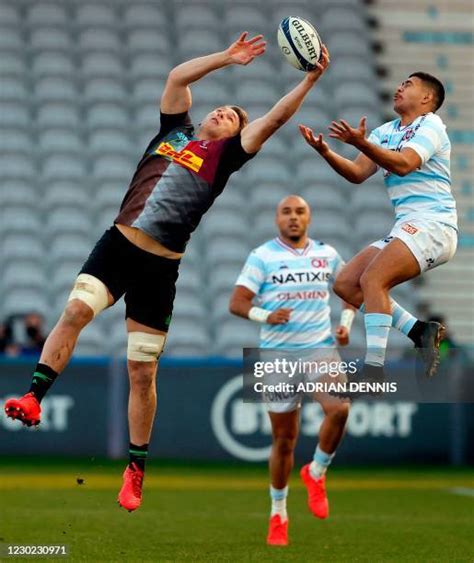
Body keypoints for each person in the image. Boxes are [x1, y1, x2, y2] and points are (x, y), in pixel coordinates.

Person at [4, 34, 330, 512]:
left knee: (142, 372)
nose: (222, 113)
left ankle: (135, 469)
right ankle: (34, 397)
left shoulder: (228, 157)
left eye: (232, 117)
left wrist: (310, 78)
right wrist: (226, 58)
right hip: (116, 245)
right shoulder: (173, 132)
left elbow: (276, 118)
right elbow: (177, 77)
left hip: (161, 267)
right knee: (75, 311)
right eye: (219, 109)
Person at [299, 72, 457, 389]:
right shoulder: (385, 132)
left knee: (373, 279)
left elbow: (404, 164)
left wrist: (360, 142)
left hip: (434, 224)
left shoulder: (431, 126)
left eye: (408, 84)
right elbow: (357, 173)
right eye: (400, 83)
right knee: (345, 283)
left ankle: (374, 370)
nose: (399, 87)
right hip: (408, 226)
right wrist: (327, 152)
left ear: (427, 98)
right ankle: (418, 331)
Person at [230, 195, 356, 546]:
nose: (293, 217)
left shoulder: (327, 255)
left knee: (340, 408)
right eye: (286, 212)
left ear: (309, 217)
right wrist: (265, 315)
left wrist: (345, 323)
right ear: (277, 219)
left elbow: (350, 291)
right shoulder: (262, 256)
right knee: (284, 440)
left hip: (319, 349)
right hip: (277, 356)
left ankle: (316, 471)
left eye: (299, 211)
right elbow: (237, 302)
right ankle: (278, 513)